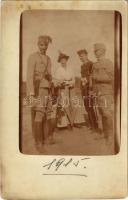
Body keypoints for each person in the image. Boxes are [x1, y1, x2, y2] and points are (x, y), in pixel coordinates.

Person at [26, 35, 54, 152]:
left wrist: (52, 82)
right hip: (38, 89)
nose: (44, 47)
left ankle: (47, 137)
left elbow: (49, 75)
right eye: (41, 44)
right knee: (39, 113)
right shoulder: (33, 57)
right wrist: (31, 93)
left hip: (47, 88)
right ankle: (38, 142)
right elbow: (29, 75)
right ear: (38, 45)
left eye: (46, 45)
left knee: (49, 112)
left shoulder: (48, 59)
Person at [92, 43, 114, 142]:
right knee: (100, 113)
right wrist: (92, 90)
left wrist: (98, 78)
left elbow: (111, 78)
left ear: (103, 51)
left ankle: (109, 135)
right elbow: (92, 79)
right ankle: (104, 133)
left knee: (107, 114)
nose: (95, 52)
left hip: (105, 91)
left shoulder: (108, 63)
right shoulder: (94, 64)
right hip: (97, 92)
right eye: (95, 51)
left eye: (97, 50)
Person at [77, 49, 98, 131]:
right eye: (79, 56)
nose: (81, 57)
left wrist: (91, 88)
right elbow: (82, 77)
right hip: (83, 88)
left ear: (86, 55)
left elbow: (92, 77)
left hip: (89, 88)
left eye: (82, 56)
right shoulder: (82, 66)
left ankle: (95, 126)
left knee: (91, 106)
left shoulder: (91, 64)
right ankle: (91, 125)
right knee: (87, 107)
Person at [53, 52, 75, 129]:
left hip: (70, 88)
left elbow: (73, 80)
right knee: (64, 105)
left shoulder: (70, 69)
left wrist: (69, 82)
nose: (63, 62)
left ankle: (72, 122)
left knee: (72, 105)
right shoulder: (58, 70)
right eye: (61, 60)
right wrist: (62, 83)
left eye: (64, 60)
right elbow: (56, 82)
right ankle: (64, 124)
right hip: (62, 89)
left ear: (66, 60)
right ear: (59, 61)